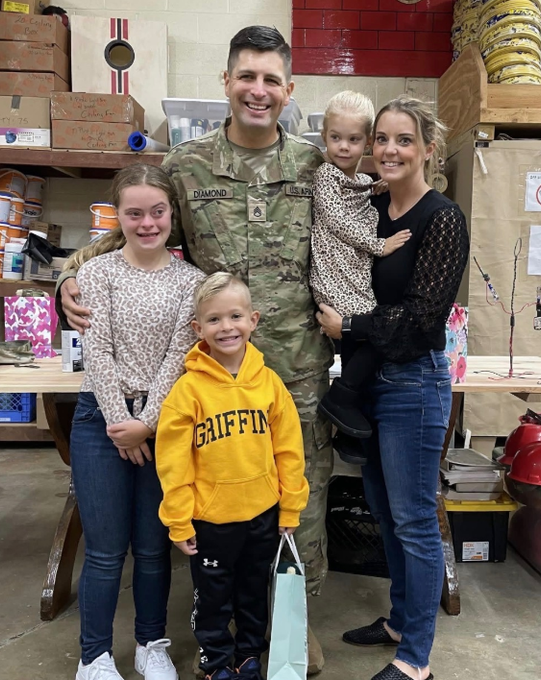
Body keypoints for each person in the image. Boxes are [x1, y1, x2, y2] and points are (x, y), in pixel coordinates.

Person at [57, 25, 333, 672]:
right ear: (226, 84)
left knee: (299, 495)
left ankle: (293, 623)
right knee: (216, 499)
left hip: (291, 370)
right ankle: (224, 621)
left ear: (287, 90)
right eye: (246, 76)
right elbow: (142, 230)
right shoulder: (186, 166)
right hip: (208, 372)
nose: (257, 90)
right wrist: (73, 269)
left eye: (270, 79)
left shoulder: (315, 165)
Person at [316, 96, 469, 680]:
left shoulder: (441, 218)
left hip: (413, 383)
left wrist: (347, 326)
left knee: (413, 519)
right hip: (369, 383)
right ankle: (400, 620)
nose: (388, 150)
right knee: (384, 510)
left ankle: (415, 660)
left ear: (428, 148)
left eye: (403, 140)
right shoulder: (372, 209)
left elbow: (424, 317)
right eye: (381, 138)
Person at [69, 164, 205, 680]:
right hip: (99, 420)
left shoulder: (190, 282)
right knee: (105, 550)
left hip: (163, 423)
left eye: (157, 212)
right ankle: (95, 657)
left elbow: (179, 353)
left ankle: (152, 643)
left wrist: (146, 423)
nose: (147, 223)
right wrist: (119, 421)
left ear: (172, 214)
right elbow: (96, 351)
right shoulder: (97, 273)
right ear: (117, 215)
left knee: (153, 548)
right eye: (134, 213)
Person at [156, 272, 309, 680]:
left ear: (253, 320)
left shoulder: (271, 385)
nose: (226, 327)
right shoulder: (187, 391)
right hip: (211, 521)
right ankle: (215, 661)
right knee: (213, 598)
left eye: (235, 316)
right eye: (213, 320)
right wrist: (179, 518)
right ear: (197, 328)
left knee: (253, 594)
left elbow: (289, 452)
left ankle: (248, 656)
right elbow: (173, 463)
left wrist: (290, 507)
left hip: (262, 514)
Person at [309, 90, 411, 459]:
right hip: (332, 272)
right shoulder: (324, 176)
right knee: (374, 331)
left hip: (352, 272)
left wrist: (376, 185)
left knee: (360, 341)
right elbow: (336, 220)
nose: (344, 147)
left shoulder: (358, 182)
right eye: (335, 138)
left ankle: (349, 428)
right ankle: (342, 399)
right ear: (324, 137)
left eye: (354, 140)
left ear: (367, 142)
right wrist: (378, 245)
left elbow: (357, 193)